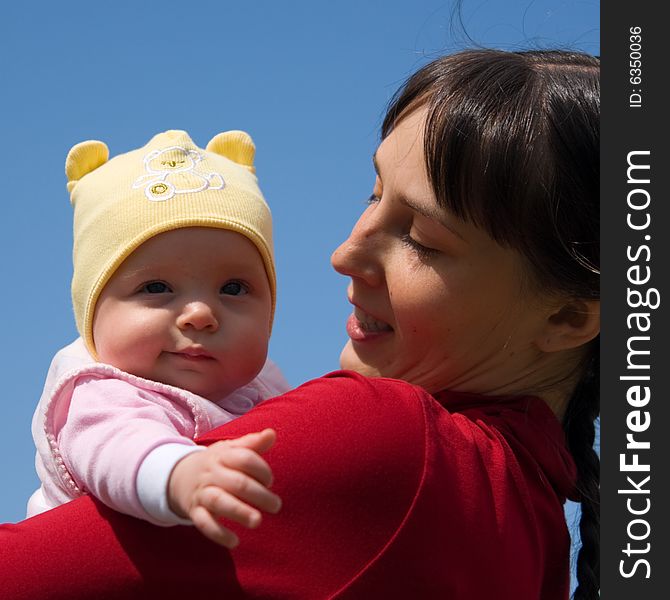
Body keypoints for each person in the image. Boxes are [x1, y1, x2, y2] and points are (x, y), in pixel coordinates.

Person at [0, 48, 600, 599]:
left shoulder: (386, 441)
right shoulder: (535, 531)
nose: (344, 253)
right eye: (373, 195)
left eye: (421, 240)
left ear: (570, 314)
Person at [26, 129, 290, 546]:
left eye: (234, 288)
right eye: (155, 288)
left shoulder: (265, 388)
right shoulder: (98, 391)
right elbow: (117, 448)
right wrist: (179, 473)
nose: (201, 314)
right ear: (92, 312)